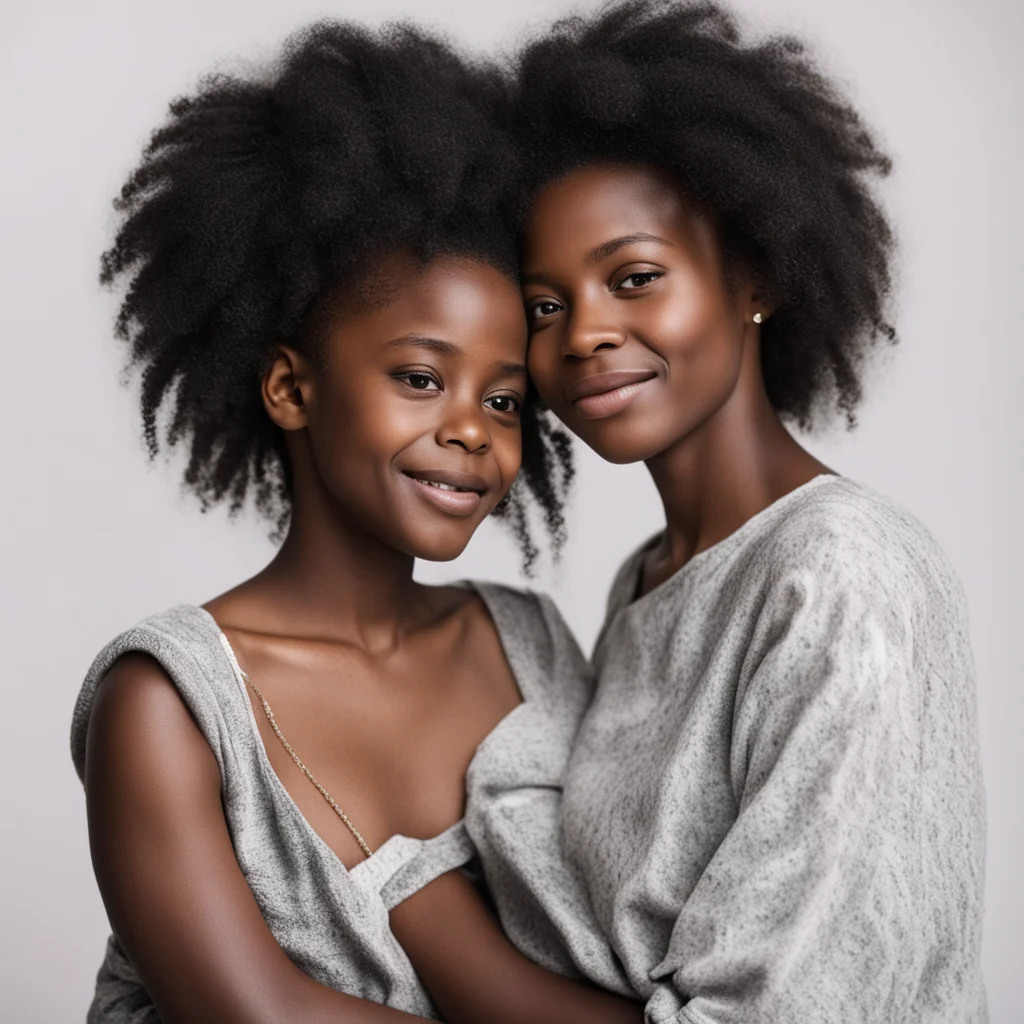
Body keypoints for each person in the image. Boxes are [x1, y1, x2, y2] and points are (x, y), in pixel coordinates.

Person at [404, 3, 985, 1023]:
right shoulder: (651, 578)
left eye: (634, 278)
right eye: (544, 306)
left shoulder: (844, 573)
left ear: (752, 275)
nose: (584, 333)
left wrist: (429, 918)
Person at [71, 20, 642, 1024]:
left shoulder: (528, 648)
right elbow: (261, 1016)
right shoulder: (165, 703)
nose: (470, 431)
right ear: (292, 387)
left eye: (504, 400)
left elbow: (622, 955)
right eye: (420, 378)